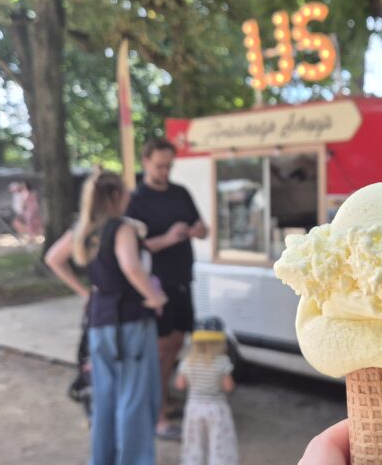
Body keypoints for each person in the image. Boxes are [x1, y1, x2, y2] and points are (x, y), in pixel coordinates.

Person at [45, 170, 168, 465]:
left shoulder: (84, 230)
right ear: (114, 196)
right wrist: (154, 296)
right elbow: (131, 267)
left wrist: (86, 293)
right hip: (130, 322)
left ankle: (103, 459)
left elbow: (53, 258)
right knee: (134, 397)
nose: (129, 196)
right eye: (125, 191)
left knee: (105, 398)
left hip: (99, 322)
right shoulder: (122, 229)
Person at [124, 138, 209, 439]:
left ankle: (164, 399)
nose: (165, 171)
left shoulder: (180, 192)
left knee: (175, 344)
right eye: (160, 166)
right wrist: (169, 238)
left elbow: (203, 227)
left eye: (169, 166)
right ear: (146, 161)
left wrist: (197, 230)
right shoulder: (135, 199)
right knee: (159, 351)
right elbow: (131, 248)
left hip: (183, 280)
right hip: (156, 286)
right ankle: (157, 414)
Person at [175, 324, 239, 465]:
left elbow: (180, 385)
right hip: (217, 409)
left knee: (193, 443)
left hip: (194, 409)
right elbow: (228, 387)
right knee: (219, 445)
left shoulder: (187, 362)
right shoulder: (222, 362)